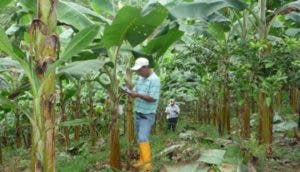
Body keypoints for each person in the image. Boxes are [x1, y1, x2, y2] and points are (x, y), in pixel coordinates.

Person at [126, 57, 160, 171]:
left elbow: (153, 98)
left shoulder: (154, 80)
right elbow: (136, 90)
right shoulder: (141, 78)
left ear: (145, 68)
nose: (138, 72)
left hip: (147, 115)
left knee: (143, 137)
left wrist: (137, 95)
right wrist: (130, 92)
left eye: (139, 70)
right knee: (140, 139)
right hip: (138, 112)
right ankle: (142, 160)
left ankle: (148, 164)